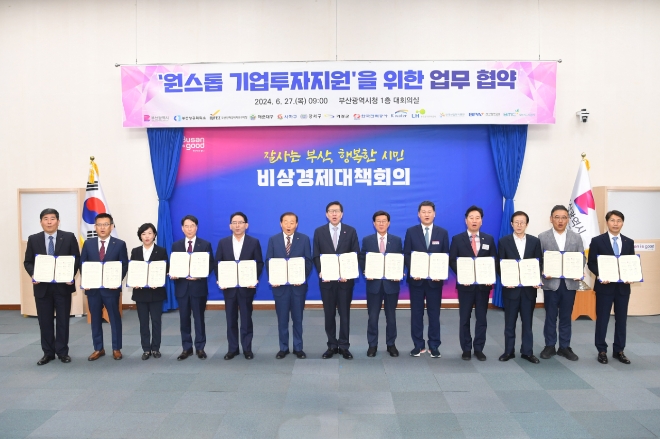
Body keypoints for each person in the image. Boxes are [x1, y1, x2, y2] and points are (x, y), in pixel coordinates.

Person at [23, 208, 81, 365]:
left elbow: (76, 258)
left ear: (58, 221)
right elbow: (28, 262)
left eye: (52, 218)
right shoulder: (33, 239)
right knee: (45, 322)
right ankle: (48, 353)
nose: (49, 222)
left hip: (63, 287)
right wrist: (33, 274)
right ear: (41, 222)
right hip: (42, 288)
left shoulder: (68, 237)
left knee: (63, 321)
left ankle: (62, 352)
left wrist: (71, 275)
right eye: (46, 219)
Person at [449, 205, 498, 361]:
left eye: (477, 218)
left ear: (481, 221)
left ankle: (478, 348)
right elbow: (452, 260)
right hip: (465, 286)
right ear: (466, 220)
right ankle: (466, 349)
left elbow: (493, 261)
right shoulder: (457, 239)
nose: (474, 220)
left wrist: (489, 275)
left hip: (483, 287)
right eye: (471, 218)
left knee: (481, 318)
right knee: (464, 318)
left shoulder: (488, 239)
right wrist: (464, 275)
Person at [313, 201, 360, 360]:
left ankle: (344, 346)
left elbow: (355, 254)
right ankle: (332, 345)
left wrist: (349, 272)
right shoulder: (319, 232)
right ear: (326, 214)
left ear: (342, 214)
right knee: (329, 314)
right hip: (327, 282)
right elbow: (316, 255)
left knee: (344, 314)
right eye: (331, 211)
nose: (334, 214)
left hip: (345, 282)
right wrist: (321, 271)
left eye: (337, 211)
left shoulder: (350, 231)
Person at [538, 205, 585, 361]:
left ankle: (564, 347)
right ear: (551, 219)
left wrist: (578, 270)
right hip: (551, 284)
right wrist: (543, 271)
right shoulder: (542, 237)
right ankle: (550, 345)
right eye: (557, 217)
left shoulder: (576, 237)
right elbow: (538, 259)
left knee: (566, 316)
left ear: (568, 219)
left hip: (569, 284)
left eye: (564, 217)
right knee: (550, 316)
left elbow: (582, 258)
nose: (560, 220)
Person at [587, 210, 634, 365]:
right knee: (602, 319)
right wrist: (600, 275)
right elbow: (591, 263)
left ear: (622, 223)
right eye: (612, 220)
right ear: (607, 222)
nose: (615, 223)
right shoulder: (597, 241)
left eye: (619, 220)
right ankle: (601, 350)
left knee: (621, 320)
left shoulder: (629, 242)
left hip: (622, 288)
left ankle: (619, 350)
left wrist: (631, 276)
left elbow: (630, 263)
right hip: (604, 287)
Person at [403, 201, 449, 358]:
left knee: (434, 314)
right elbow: (407, 254)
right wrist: (413, 270)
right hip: (416, 281)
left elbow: (445, 255)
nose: (426, 214)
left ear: (434, 214)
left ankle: (434, 345)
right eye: (423, 211)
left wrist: (440, 272)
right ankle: (418, 345)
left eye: (429, 211)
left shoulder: (442, 233)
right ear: (418, 214)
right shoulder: (411, 231)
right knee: (416, 314)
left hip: (434, 282)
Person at [216, 212, 264, 360]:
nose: (237, 225)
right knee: (230, 319)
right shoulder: (223, 243)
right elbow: (218, 263)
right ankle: (233, 349)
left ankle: (247, 349)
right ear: (230, 226)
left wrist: (253, 278)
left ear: (246, 225)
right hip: (229, 288)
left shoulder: (253, 242)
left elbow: (259, 263)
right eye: (234, 223)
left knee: (246, 319)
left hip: (246, 288)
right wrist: (220, 279)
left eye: (240, 222)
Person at [80, 213, 128, 361]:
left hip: (111, 290)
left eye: (105, 224)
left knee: (114, 318)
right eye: (99, 225)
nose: (102, 227)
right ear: (95, 227)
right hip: (93, 290)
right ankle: (98, 348)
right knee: (95, 319)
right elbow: (83, 264)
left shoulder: (119, 244)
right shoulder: (88, 244)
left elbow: (124, 265)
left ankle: (116, 348)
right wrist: (86, 281)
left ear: (111, 226)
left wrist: (116, 281)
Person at [497, 211, 543, 363]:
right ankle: (508, 351)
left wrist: (537, 278)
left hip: (529, 290)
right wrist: (506, 279)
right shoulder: (504, 241)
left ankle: (527, 352)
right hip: (511, 289)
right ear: (511, 224)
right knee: (509, 323)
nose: (519, 225)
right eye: (516, 222)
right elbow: (500, 264)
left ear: (526, 224)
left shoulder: (534, 241)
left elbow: (539, 263)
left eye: (522, 222)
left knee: (527, 323)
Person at [265, 212, 312, 359]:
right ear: (281, 224)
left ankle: (298, 348)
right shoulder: (273, 240)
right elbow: (269, 261)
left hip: (298, 287)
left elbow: (308, 261)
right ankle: (283, 348)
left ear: (296, 224)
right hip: (280, 288)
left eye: (292, 222)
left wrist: (301, 277)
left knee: (298, 319)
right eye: (285, 222)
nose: (288, 225)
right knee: (282, 320)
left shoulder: (304, 239)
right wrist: (274, 277)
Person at [170, 215, 214, 361]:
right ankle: (186, 348)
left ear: (197, 227)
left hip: (198, 288)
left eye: (192, 226)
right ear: (182, 228)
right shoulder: (176, 245)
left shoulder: (205, 244)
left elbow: (210, 264)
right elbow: (174, 264)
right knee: (184, 319)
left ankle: (200, 348)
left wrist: (200, 275)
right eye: (186, 226)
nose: (189, 229)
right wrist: (173, 273)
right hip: (182, 288)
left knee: (199, 318)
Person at [360, 210, 403, 357]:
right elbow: (362, 258)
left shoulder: (396, 240)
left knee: (391, 317)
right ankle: (372, 345)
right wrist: (366, 271)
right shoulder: (367, 240)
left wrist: (400, 272)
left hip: (391, 285)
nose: (381, 223)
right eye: (378, 221)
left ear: (388, 223)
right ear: (374, 223)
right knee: (373, 317)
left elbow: (400, 259)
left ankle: (391, 344)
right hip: (374, 285)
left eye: (384, 221)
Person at [130, 223, 168, 360]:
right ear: (140, 236)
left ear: (154, 235)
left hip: (156, 292)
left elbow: (165, 269)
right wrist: (134, 282)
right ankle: (146, 349)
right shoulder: (135, 251)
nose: (147, 236)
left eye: (150, 233)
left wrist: (158, 280)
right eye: (144, 234)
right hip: (140, 293)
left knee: (156, 321)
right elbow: (133, 269)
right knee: (143, 322)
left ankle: (156, 348)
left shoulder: (161, 251)